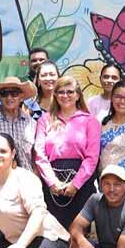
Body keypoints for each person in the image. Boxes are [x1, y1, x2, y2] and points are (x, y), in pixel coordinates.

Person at [33, 75, 100, 230]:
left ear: (77, 95)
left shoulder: (90, 121)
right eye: (61, 92)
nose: (65, 96)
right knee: (53, 231)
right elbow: (40, 153)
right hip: (53, 181)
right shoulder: (45, 119)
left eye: (70, 92)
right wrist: (51, 182)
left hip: (81, 182)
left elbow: (92, 157)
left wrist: (76, 184)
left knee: (79, 232)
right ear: (55, 95)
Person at [0, 76, 37, 171]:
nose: (9, 97)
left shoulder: (31, 124)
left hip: (26, 181)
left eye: (14, 93)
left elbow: (36, 158)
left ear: (21, 97)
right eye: (4, 93)